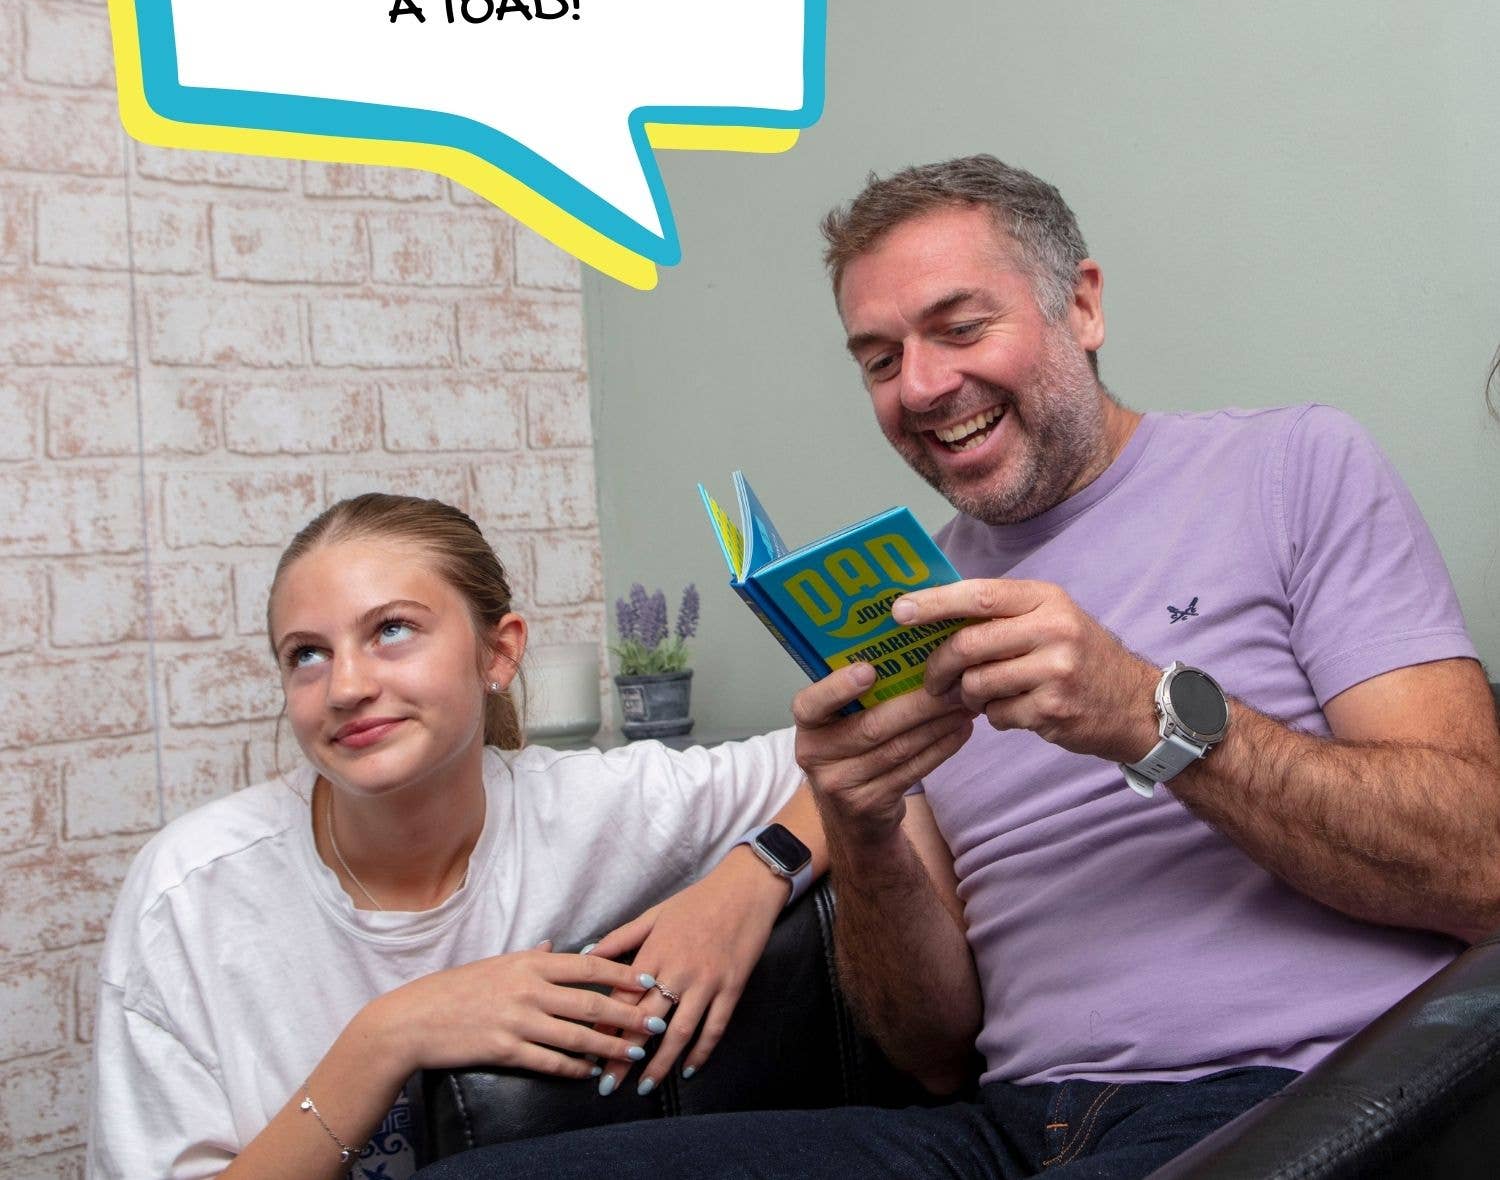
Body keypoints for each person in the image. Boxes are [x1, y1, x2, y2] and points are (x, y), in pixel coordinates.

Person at [435, 156, 1495, 1179]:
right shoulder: (904, 604)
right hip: (1012, 1128)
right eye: (880, 359)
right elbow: (933, 1049)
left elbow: (1478, 869)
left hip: (1291, 1098)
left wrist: (1146, 713)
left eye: (960, 327)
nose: (924, 385)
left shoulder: (1292, 467)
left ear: (1082, 306)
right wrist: (859, 829)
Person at [87, 493, 823, 1180]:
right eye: (307, 653)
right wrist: (390, 1036)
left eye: (391, 630)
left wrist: (751, 878)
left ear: (498, 653)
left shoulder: (585, 806)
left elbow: (855, 752)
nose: (345, 687)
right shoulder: (189, 895)